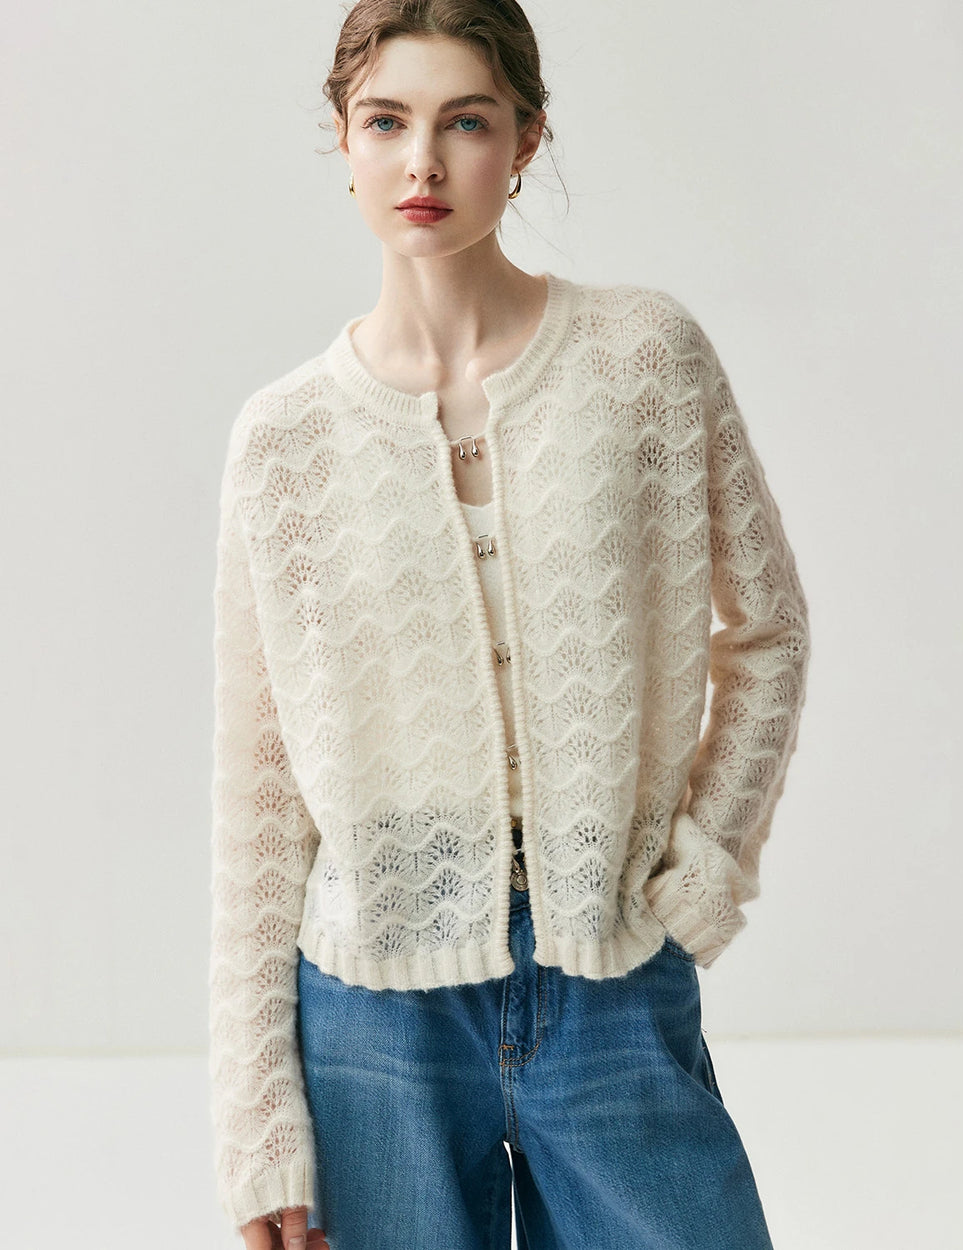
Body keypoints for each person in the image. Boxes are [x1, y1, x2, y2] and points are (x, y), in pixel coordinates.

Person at [208, 2, 811, 1247]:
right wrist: (257, 1115)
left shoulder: (645, 360)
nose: (422, 162)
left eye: (466, 122)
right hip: (373, 1015)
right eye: (387, 121)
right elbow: (259, 786)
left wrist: (704, 868)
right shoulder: (284, 441)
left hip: (610, 966)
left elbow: (767, 628)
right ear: (345, 139)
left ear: (526, 138)